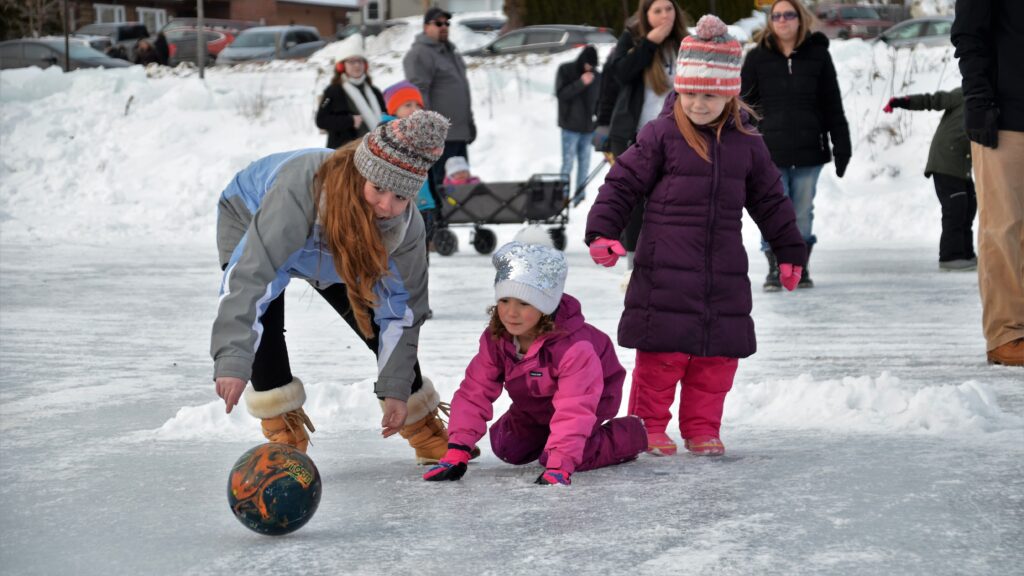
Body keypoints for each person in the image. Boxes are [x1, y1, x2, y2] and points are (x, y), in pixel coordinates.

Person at [585, 16, 807, 456]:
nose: (698, 104)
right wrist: (603, 231)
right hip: (664, 274)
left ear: (729, 93)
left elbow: (771, 202)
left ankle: (703, 428)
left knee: (716, 360)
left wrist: (789, 252)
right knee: (661, 356)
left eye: (709, 94)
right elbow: (622, 183)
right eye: (690, 93)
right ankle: (647, 427)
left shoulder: (747, 143)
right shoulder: (662, 134)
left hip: (722, 273)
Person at [211, 110, 464, 463]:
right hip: (254, 218)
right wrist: (233, 357)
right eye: (379, 189)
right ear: (363, 174)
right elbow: (251, 277)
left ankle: (422, 426)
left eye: (401, 198)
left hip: (341, 242)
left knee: (374, 318)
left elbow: (403, 314)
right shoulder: (300, 191)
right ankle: (282, 428)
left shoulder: (404, 230)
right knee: (263, 318)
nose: (387, 207)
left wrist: (397, 390)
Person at [422, 241, 647, 485]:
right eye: (505, 300)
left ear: (546, 306)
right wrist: (457, 448)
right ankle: (551, 436)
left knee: (564, 455)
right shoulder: (497, 338)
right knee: (506, 446)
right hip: (535, 404)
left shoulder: (574, 348)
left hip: (590, 400)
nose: (511, 312)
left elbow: (575, 406)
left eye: (525, 303)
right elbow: (475, 391)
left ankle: (629, 435)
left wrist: (560, 463)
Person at [740, 0, 851, 291]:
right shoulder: (756, 58)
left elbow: (832, 105)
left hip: (809, 151)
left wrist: (842, 146)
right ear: (770, 21)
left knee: (801, 211)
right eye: (776, 16)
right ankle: (776, 267)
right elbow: (744, 108)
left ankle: (798, 265)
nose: (782, 20)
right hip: (768, 152)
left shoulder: (818, 56)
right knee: (774, 211)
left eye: (789, 15)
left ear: (800, 19)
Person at [952, 0, 1024, 367]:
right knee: (1004, 227)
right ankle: (1006, 333)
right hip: (1006, 117)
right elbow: (969, 35)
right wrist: (979, 101)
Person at [607, 0, 690, 269]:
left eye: (669, 9)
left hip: (679, 136)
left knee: (675, 198)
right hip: (637, 136)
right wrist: (650, 42)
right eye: (657, 11)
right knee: (636, 202)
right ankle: (636, 264)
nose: (665, 15)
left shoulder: (686, 42)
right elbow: (619, 74)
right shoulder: (632, 39)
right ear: (646, 15)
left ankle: (673, 260)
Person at [883, 88, 977, 271]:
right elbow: (932, 101)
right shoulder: (965, 93)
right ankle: (950, 257)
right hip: (945, 160)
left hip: (963, 165)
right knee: (956, 208)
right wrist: (902, 102)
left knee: (969, 207)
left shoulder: (996, 100)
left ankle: (966, 254)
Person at [403, 7, 476, 191]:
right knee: (441, 189)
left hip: (458, 133)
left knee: (460, 188)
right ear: (426, 26)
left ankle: (454, 219)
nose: (443, 27)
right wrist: (428, 131)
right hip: (439, 138)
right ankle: (437, 220)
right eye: (438, 23)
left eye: (446, 23)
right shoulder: (420, 54)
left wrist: (469, 122)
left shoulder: (450, 52)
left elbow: (460, 91)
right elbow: (419, 93)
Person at [382, 80, 441, 254]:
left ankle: (420, 280)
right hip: (399, 205)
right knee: (400, 252)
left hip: (424, 203)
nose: (414, 109)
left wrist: (436, 201)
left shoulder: (424, 133)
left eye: (418, 105)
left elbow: (431, 171)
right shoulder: (386, 133)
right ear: (393, 109)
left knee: (421, 252)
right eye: (408, 105)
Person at [316, 45, 385, 150]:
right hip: (344, 152)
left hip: (374, 151)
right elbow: (321, 120)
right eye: (352, 62)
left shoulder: (374, 91)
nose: (357, 65)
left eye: (360, 61)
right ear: (342, 66)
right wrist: (349, 121)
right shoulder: (333, 91)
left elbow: (385, 116)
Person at [556, 45, 601, 198]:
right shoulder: (566, 70)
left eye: (593, 66)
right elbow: (561, 94)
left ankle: (579, 198)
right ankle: (562, 198)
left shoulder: (597, 76)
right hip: (570, 127)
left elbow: (599, 102)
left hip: (588, 128)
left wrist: (599, 121)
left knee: (584, 164)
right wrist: (581, 83)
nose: (590, 69)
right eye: (588, 65)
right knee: (567, 164)